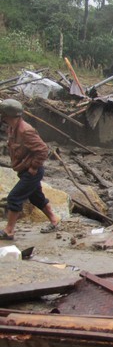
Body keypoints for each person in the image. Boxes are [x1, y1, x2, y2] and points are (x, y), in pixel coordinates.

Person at [0, 98, 61, 240]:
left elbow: (42, 150)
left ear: (7, 115)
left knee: (14, 198)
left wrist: (33, 167)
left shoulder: (25, 130)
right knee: (36, 197)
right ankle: (54, 219)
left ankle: (9, 231)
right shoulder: (12, 128)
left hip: (31, 171)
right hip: (24, 170)